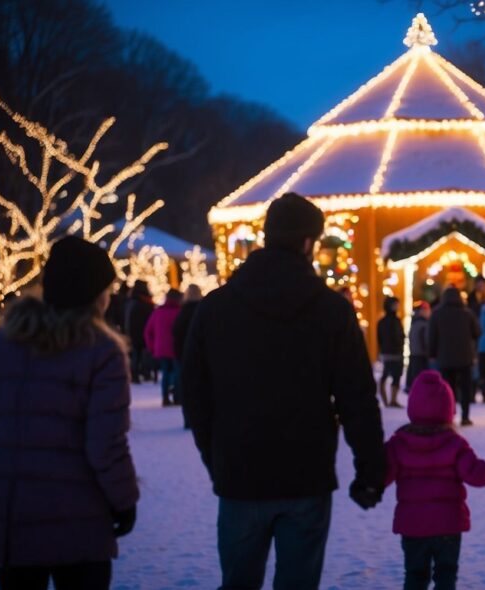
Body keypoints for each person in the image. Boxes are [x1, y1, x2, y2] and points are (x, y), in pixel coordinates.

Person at [180, 193, 386, 589]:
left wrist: (215, 454)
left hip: (240, 471)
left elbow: (195, 393)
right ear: (309, 241)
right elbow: (356, 397)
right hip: (305, 474)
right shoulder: (332, 311)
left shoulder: (216, 308)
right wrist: (370, 471)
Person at [0, 236, 139, 589]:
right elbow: (105, 444)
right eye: (107, 288)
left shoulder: (1, 344)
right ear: (93, 293)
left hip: (10, 515)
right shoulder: (101, 350)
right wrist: (124, 500)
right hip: (79, 519)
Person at [384, 371, 485, 590]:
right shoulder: (455, 444)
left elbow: (381, 475)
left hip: (413, 525)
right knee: (446, 577)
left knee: (415, 576)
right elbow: (476, 474)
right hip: (448, 525)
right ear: (449, 409)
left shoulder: (398, 444)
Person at [429, 286, 482, 426]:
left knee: (448, 388)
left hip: (445, 357)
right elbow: (477, 332)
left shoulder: (437, 313)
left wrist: (432, 353)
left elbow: (432, 336)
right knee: (465, 388)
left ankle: (449, 415)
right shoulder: (467, 313)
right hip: (465, 357)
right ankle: (465, 416)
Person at [145, 288, 182, 406]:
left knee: (165, 373)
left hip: (160, 348)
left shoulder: (158, 312)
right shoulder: (179, 312)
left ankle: (165, 397)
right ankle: (177, 397)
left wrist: (152, 347)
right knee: (177, 373)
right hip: (176, 347)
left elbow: (147, 331)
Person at [173, 284, 204, 428]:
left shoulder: (182, 312)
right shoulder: (203, 310)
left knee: (187, 387)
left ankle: (188, 418)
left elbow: (176, 334)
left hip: (184, 355)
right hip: (201, 353)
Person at [377, 296, 405, 408]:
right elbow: (380, 338)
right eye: (395, 304)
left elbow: (401, 336)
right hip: (389, 353)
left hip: (396, 353)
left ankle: (393, 400)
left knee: (396, 376)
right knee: (385, 376)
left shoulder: (396, 320)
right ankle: (386, 400)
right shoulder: (384, 321)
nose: (396, 306)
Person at [124, 280, 154, 383]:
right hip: (143, 332)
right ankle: (145, 373)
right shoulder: (146, 302)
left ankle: (135, 374)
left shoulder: (130, 301)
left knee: (136, 355)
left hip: (133, 332)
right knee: (144, 354)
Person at [407, 301, 431, 392]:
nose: (429, 312)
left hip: (414, 355)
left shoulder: (414, 323)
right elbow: (425, 341)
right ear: (422, 311)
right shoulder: (424, 324)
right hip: (421, 357)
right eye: (427, 310)